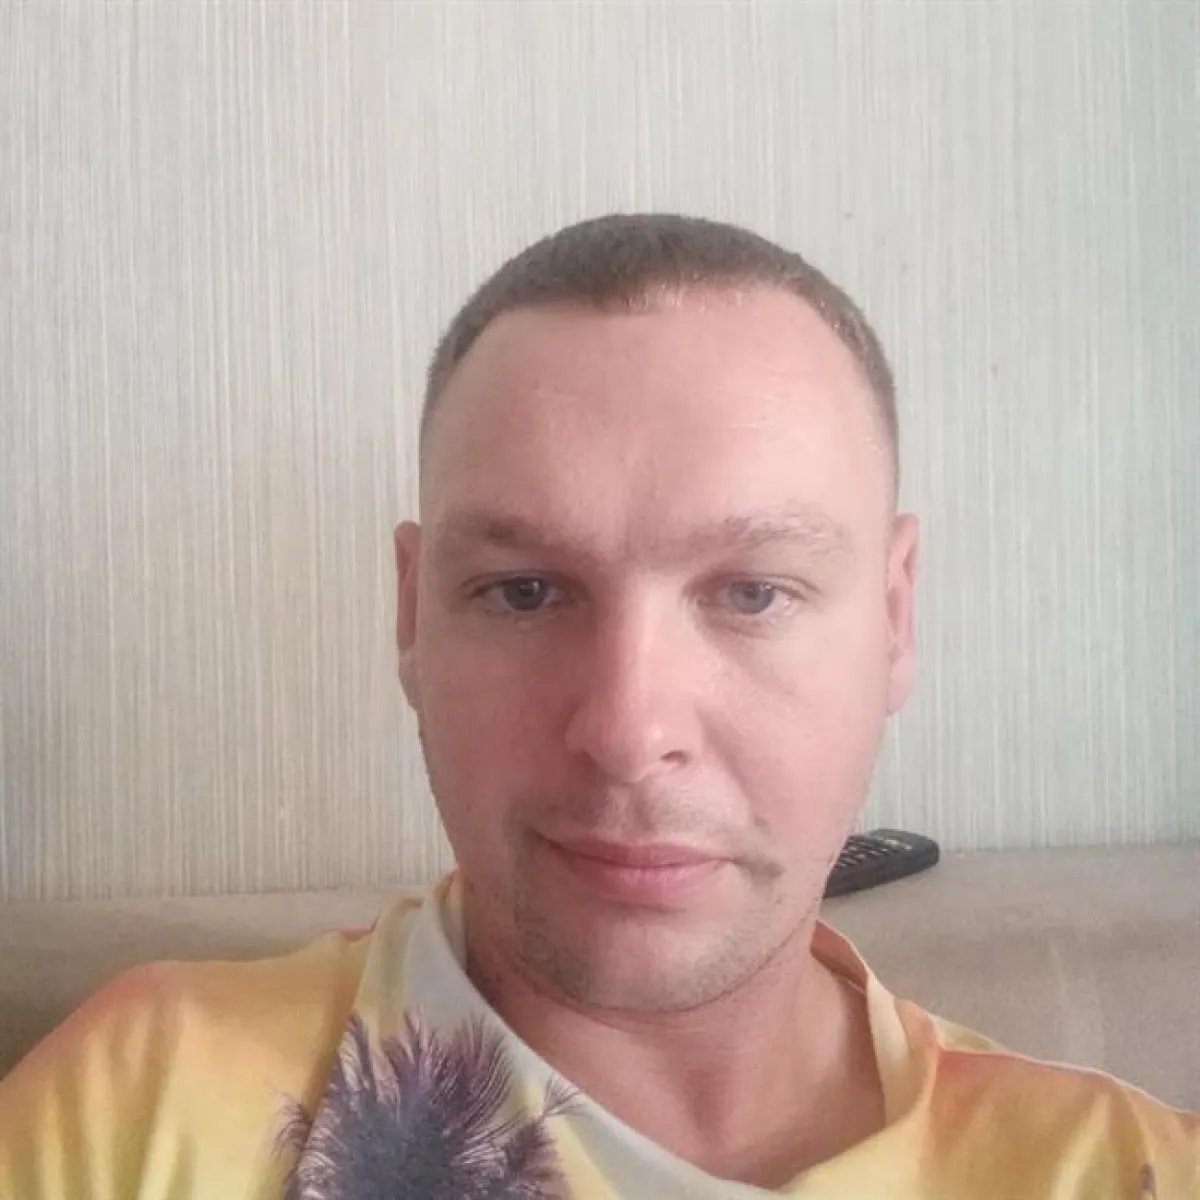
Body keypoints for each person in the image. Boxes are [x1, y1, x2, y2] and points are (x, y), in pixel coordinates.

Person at [0, 214, 1195, 1199]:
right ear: (413, 615)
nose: (627, 733)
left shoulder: (1122, 1169)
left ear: (894, 619)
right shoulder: (131, 1115)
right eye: (525, 591)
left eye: (753, 593)